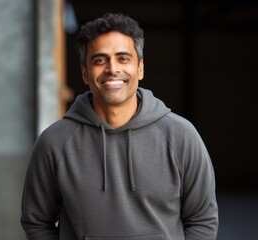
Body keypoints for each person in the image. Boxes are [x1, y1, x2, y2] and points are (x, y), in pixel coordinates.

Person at [21, 12, 219, 240]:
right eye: (100, 60)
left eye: (123, 58)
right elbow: (36, 222)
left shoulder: (181, 136)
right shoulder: (54, 142)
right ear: (85, 73)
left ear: (141, 68)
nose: (112, 69)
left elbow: (202, 220)